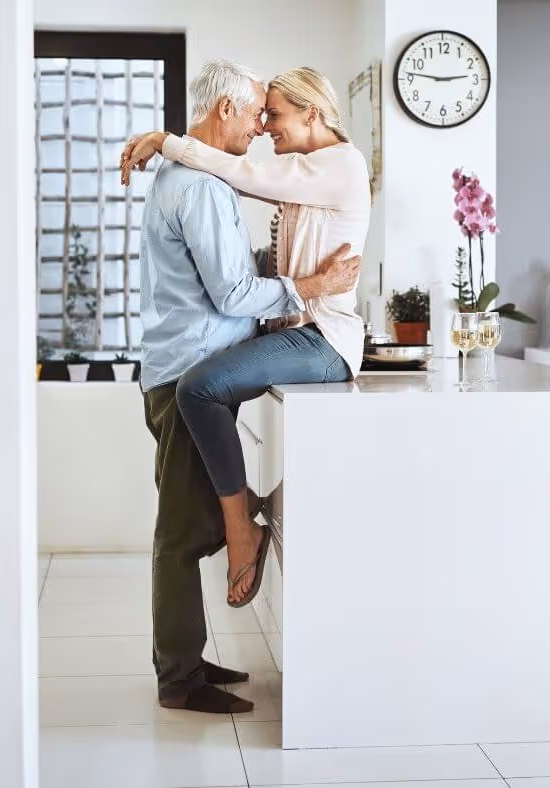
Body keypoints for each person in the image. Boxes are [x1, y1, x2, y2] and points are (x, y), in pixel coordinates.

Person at [133, 59, 360, 714]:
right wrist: (309, 286)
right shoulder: (200, 187)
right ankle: (179, 678)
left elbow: (230, 262)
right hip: (185, 373)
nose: (262, 128)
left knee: (186, 521)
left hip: (177, 364)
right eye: (258, 111)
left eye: (274, 114)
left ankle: (186, 654)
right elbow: (231, 291)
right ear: (225, 109)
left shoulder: (186, 175)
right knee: (179, 534)